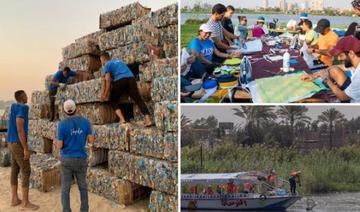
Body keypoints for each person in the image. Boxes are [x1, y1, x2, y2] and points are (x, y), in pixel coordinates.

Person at [56, 99, 95, 212]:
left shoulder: (62, 124)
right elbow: (91, 140)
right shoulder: (85, 122)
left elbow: (59, 145)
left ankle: (66, 210)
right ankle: (84, 209)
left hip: (66, 159)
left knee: (65, 188)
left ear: (64, 111)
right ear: (75, 109)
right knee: (82, 186)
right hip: (81, 158)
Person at [99, 52, 152, 126]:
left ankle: (122, 119)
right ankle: (148, 119)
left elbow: (107, 80)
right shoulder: (119, 61)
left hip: (121, 80)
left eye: (101, 60)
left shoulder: (107, 65)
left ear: (103, 59)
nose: (101, 63)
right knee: (138, 99)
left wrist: (105, 94)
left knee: (113, 100)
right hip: (131, 79)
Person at [301, 36, 360, 102]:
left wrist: (327, 80)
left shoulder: (358, 76)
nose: (338, 59)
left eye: (341, 56)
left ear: (351, 53)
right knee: (334, 70)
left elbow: (343, 97)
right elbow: (335, 67)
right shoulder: (356, 64)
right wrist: (313, 75)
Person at [7, 90, 39, 210]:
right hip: (17, 143)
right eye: (25, 95)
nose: (27, 97)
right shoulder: (23, 107)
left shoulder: (13, 106)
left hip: (10, 142)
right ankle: (25, 203)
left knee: (15, 169)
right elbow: (20, 128)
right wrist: (25, 148)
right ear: (21, 97)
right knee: (26, 170)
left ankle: (14, 199)